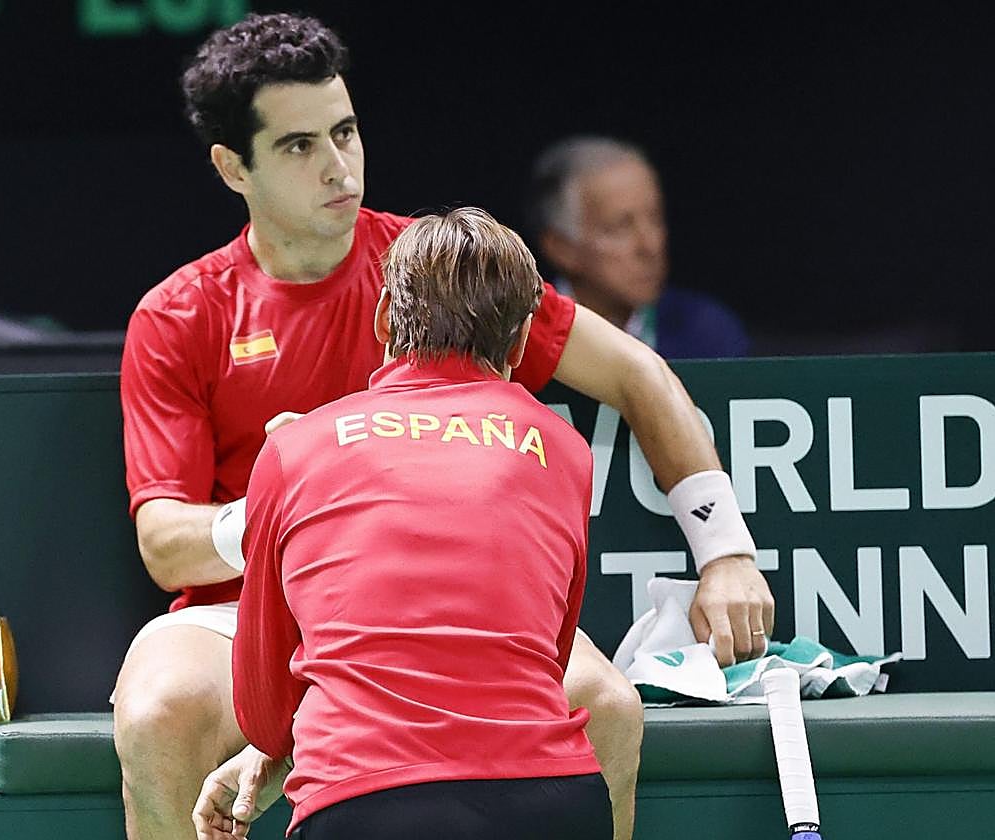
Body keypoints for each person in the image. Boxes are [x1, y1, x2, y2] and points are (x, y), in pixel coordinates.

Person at [114, 13, 773, 840]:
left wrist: (726, 553)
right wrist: (289, 506)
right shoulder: (181, 314)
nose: (338, 166)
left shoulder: (433, 273)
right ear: (231, 166)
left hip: (435, 595)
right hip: (238, 611)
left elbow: (637, 372)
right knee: (156, 716)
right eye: (298, 146)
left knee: (607, 705)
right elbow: (164, 539)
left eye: (346, 132)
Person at [193, 207, 613, 840]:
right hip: (550, 799)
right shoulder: (565, 449)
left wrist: (276, 746)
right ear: (523, 341)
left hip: (363, 804)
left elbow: (264, 713)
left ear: (384, 316)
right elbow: (548, 660)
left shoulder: (293, 448)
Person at [525, 136, 750, 359]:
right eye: (621, 227)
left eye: (655, 218)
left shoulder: (706, 334)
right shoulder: (520, 339)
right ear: (562, 249)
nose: (649, 246)